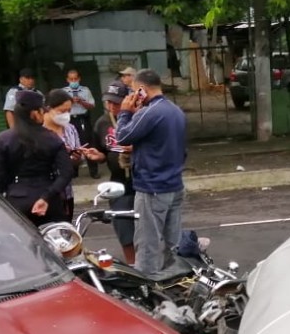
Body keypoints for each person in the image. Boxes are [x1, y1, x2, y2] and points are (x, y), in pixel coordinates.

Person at [115, 69, 187, 275]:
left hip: (152, 187)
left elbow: (122, 136)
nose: (131, 96)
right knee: (173, 243)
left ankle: (146, 289)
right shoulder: (175, 111)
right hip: (174, 184)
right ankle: (177, 281)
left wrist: (125, 112)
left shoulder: (151, 112)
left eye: (132, 91)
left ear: (141, 90)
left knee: (148, 244)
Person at [0, 89, 74, 226]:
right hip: (49, 202)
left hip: (16, 202)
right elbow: (66, 173)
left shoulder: (4, 139)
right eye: (43, 110)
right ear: (35, 113)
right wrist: (46, 197)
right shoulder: (52, 138)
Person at [93, 81, 137, 264]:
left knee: (147, 231)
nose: (112, 106)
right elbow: (103, 152)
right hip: (118, 184)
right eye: (108, 102)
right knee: (124, 230)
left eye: (116, 103)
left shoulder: (138, 118)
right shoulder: (102, 123)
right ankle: (133, 264)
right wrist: (99, 157)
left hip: (141, 182)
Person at [42, 88, 102, 221]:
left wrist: (76, 157)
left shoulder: (70, 128)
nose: (66, 115)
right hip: (45, 192)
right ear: (48, 109)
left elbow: (76, 160)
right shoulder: (39, 132)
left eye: (68, 111)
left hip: (67, 191)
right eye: (61, 111)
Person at [63, 68, 99, 179]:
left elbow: (92, 106)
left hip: (82, 118)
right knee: (71, 144)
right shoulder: (63, 92)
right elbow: (59, 107)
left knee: (87, 142)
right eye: (71, 79)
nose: (74, 81)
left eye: (75, 78)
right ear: (67, 80)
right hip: (69, 119)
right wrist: (70, 102)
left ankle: (93, 171)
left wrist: (82, 101)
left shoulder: (85, 90)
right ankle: (73, 171)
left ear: (79, 78)